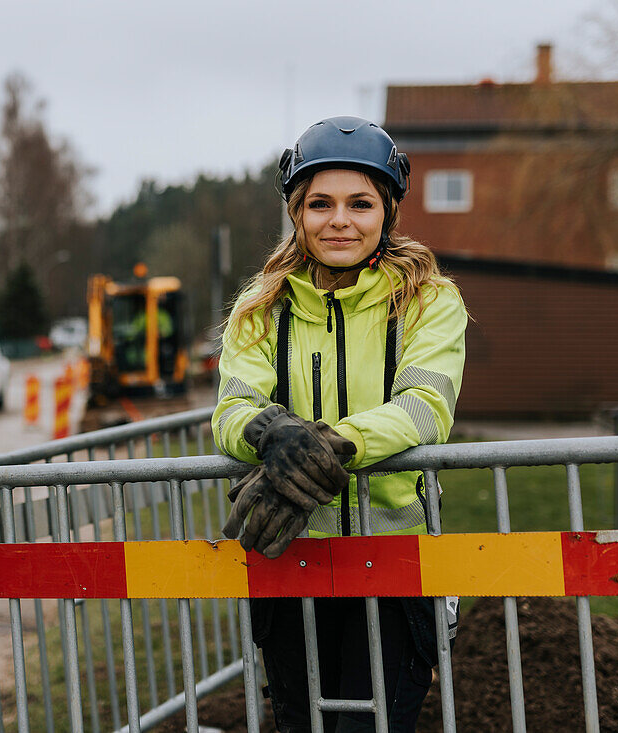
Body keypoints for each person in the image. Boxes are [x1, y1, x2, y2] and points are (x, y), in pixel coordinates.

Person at [212, 116, 468, 732]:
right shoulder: (260, 310)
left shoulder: (429, 300)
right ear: (297, 213)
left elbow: (425, 406)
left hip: (395, 563)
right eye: (320, 204)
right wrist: (272, 434)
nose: (340, 221)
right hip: (290, 559)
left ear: (388, 212)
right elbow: (231, 412)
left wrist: (329, 447)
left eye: (361, 203)